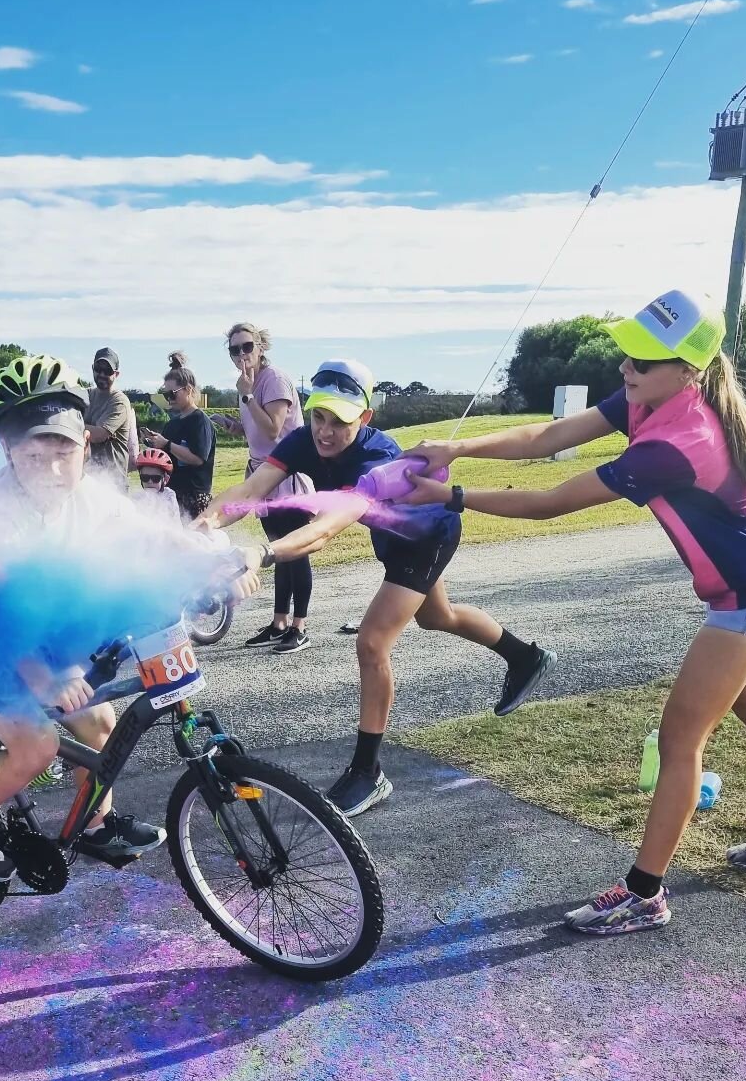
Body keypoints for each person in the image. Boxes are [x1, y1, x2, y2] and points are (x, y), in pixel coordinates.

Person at [403, 289, 746, 935]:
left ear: (687, 370)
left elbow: (550, 500)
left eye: (643, 360)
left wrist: (452, 494)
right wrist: (456, 448)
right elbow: (549, 436)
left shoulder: (678, 441)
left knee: (681, 737)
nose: (626, 369)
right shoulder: (652, 398)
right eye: (626, 354)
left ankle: (643, 893)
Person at [0, 354, 260, 881]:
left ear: (84, 445)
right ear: (6, 449)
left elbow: (154, 536)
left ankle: (97, 823)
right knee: (37, 745)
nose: (50, 468)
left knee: (97, 720)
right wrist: (47, 676)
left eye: (63, 450)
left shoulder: (87, 496)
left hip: (24, 628)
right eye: (33, 453)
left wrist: (220, 560)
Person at [197, 358, 554, 817]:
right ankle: (526, 656)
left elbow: (326, 528)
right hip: (393, 537)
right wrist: (202, 524)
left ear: (364, 418)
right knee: (437, 616)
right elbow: (251, 488)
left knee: (372, 643)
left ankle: (368, 772)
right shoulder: (304, 439)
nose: (324, 431)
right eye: (318, 416)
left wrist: (262, 554)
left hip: (427, 537)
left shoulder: (379, 458)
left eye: (339, 422)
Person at [211, 323, 315, 655]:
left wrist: (246, 396)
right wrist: (234, 424)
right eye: (234, 349)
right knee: (277, 551)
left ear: (261, 347)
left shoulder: (273, 381)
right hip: (264, 476)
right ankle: (279, 622)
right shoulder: (249, 383)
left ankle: (299, 627)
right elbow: (257, 428)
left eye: (246, 347)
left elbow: (273, 430)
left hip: (287, 477)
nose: (241, 354)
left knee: (295, 552)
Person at [141, 352, 215, 520]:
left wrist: (166, 444)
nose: (169, 399)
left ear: (188, 390)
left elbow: (197, 458)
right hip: (171, 494)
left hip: (194, 497)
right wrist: (154, 444)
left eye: (172, 394)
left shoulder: (200, 421)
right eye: (166, 395)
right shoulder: (172, 423)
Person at [85, 347, 135, 488]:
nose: (101, 374)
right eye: (98, 369)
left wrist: (71, 424)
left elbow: (99, 435)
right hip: (89, 479)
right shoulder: (85, 395)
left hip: (113, 482)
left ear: (116, 374)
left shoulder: (119, 401)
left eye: (107, 371)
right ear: (93, 368)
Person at [131, 446, 183, 525]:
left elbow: (174, 524)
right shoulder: (137, 497)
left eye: (155, 478)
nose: (150, 481)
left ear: (165, 480)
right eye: (145, 477)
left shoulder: (168, 495)